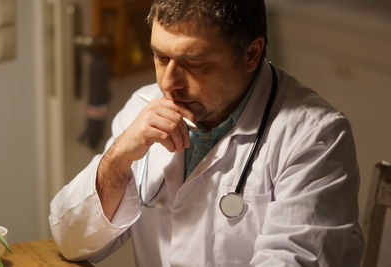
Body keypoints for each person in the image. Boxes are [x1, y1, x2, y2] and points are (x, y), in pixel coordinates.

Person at [49, 0, 364, 266]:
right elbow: (71, 241)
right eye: (160, 57)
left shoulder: (314, 136)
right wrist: (117, 159)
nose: (169, 83)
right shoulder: (142, 109)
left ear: (251, 54)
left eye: (194, 62)